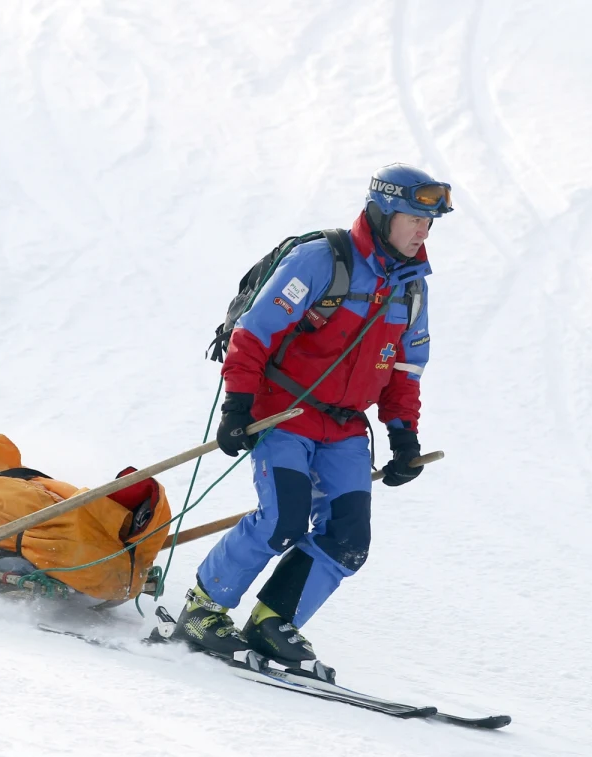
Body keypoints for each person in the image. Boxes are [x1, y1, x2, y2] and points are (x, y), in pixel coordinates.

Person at [174, 163, 453, 663]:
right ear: (384, 211)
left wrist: (404, 439)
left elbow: (405, 370)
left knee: (348, 539)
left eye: (429, 223)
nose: (422, 231)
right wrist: (238, 404)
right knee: (283, 518)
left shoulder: (412, 289)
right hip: (282, 413)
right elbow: (255, 333)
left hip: (344, 427)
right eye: (414, 218)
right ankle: (204, 605)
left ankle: (273, 620)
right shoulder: (323, 260)